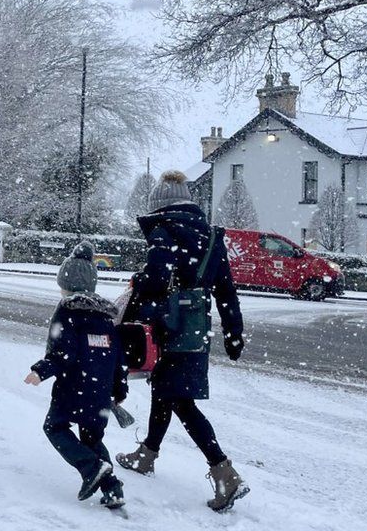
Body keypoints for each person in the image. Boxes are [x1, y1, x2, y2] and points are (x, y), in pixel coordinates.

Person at [116, 170, 249, 513]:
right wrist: (234, 334)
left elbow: (157, 280)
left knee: (180, 402)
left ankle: (224, 471)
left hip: (168, 328)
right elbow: (227, 293)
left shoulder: (164, 231)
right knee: (166, 392)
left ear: (159, 206)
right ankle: (147, 455)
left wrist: (139, 291)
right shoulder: (212, 236)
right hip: (195, 329)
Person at [24, 241, 129, 509]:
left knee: (54, 427)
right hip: (100, 391)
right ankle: (112, 488)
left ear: (67, 284)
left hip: (73, 389)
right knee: (92, 438)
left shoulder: (67, 310)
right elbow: (118, 356)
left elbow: (63, 353)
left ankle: (91, 468)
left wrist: (40, 370)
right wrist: (119, 388)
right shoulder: (105, 316)